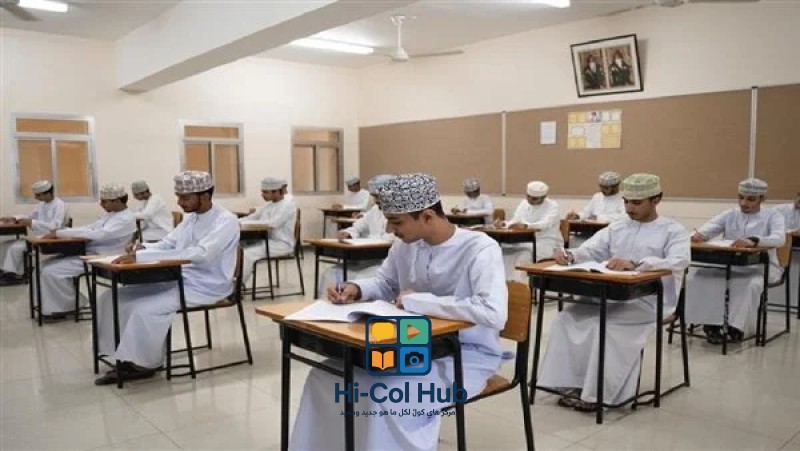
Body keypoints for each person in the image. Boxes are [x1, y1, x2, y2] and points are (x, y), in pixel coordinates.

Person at [291, 173, 508, 451]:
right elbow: (385, 283)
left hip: (464, 353)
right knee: (326, 375)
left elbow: (493, 312)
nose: (391, 229)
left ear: (427, 216)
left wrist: (418, 301)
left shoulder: (479, 248)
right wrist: (356, 288)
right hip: (411, 343)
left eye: (396, 222)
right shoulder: (405, 244)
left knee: (384, 394)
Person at [538, 173, 690, 412]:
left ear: (656, 199)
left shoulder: (673, 230)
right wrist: (570, 255)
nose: (629, 208)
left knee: (605, 327)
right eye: (626, 202)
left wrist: (638, 264)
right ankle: (571, 384)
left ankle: (600, 394)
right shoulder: (617, 227)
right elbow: (590, 249)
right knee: (565, 319)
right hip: (612, 295)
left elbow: (679, 260)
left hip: (650, 301)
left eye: (636, 203)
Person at [94, 171, 239, 385]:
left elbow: (201, 253)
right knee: (111, 298)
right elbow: (169, 243)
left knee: (143, 309)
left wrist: (142, 257)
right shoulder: (191, 218)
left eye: (185, 197)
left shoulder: (226, 221)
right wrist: (143, 248)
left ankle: (144, 364)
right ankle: (121, 354)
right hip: (179, 277)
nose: (179, 203)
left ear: (206, 195)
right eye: (179, 196)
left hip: (206, 286)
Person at [686, 178, 786, 344]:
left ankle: (736, 327)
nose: (744, 203)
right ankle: (711, 324)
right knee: (700, 277)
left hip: (763, 267)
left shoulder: (773, 216)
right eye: (741, 197)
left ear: (762, 199)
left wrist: (754, 240)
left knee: (750, 283)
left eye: (750, 199)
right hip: (731, 265)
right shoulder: (730, 214)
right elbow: (706, 230)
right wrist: (698, 236)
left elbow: (779, 238)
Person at [38, 184, 136, 321]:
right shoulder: (111, 215)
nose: (101, 204)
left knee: (50, 271)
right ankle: (68, 304)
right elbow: (90, 227)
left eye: (105, 201)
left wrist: (60, 233)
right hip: (92, 252)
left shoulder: (126, 218)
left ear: (118, 200)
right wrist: (63, 232)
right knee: (44, 265)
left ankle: (65, 308)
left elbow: (99, 234)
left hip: (103, 257)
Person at [318, 174, 396, 295]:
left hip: (383, 262)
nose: (376, 201)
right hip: (368, 258)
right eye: (374, 197)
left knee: (359, 280)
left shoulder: (399, 214)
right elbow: (359, 225)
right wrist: (348, 233)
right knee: (329, 274)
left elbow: (391, 239)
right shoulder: (375, 210)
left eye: (378, 197)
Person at [0, 180, 68, 285]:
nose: (36, 197)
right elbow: (29, 216)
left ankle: (16, 275)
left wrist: (32, 223)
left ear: (48, 194)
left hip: (49, 238)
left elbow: (55, 226)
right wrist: (14, 218)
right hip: (38, 237)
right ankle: (5, 272)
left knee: (15, 248)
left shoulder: (60, 205)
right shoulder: (41, 205)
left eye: (38, 195)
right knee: (4, 245)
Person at [498, 181, 563, 281]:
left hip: (545, 243)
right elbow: (515, 220)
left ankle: (520, 286)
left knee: (523, 254)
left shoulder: (553, 206)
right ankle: (505, 284)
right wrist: (504, 224)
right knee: (503, 250)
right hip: (524, 241)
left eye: (534, 198)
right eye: (528, 196)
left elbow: (545, 224)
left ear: (544, 197)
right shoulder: (524, 203)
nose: (530, 200)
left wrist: (526, 226)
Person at [239, 177, 297, 285]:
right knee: (236, 249)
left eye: (265, 192)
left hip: (281, 244)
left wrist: (242, 224)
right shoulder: (269, 205)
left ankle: (237, 287)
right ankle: (228, 283)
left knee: (246, 254)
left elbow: (272, 223)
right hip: (266, 241)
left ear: (277, 192)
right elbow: (252, 217)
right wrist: (234, 222)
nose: (262, 195)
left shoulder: (287, 205)